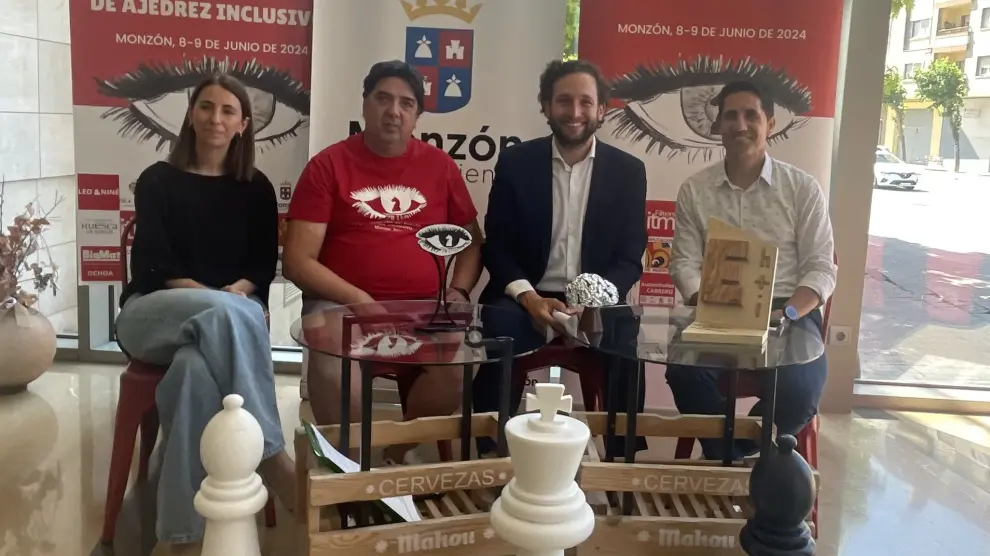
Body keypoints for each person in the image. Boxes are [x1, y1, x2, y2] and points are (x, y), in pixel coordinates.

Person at [114, 74, 293, 552]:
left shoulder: (255, 188)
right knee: (225, 313)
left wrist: (235, 291)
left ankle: (182, 533)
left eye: (228, 110)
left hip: (221, 319)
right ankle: (273, 454)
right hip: (152, 314)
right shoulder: (157, 180)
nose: (216, 117)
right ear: (191, 115)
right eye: (206, 107)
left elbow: (259, 265)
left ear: (243, 124)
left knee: (195, 372)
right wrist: (220, 298)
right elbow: (156, 264)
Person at [281, 60, 483, 465]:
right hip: (340, 305)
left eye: (406, 104)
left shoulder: (440, 166)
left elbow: (472, 242)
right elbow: (297, 261)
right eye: (383, 99)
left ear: (417, 116)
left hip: (424, 307)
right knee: (335, 376)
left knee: (459, 369)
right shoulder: (328, 165)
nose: (394, 111)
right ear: (365, 104)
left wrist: (458, 290)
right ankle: (353, 469)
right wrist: (359, 298)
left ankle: (391, 457)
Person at [474, 59, 649, 458]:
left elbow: (628, 258)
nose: (574, 113)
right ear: (546, 106)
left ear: (602, 109)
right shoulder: (516, 163)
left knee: (624, 336)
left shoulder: (628, 172)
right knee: (499, 328)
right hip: (527, 295)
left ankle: (623, 456)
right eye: (564, 101)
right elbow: (497, 246)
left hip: (597, 300)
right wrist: (528, 297)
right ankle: (487, 450)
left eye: (586, 102)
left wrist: (593, 302)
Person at [667, 80, 837, 461]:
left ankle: (745, 453)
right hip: (716, 305)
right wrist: (708, 304)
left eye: (751, 115)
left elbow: (821, 268)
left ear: (770, 123)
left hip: (786, 310)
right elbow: (683, 264)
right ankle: (734, 457)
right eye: (730, 116)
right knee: (684, 374)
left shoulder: (802, 189)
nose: (739, 124)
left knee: (801, 386)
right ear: (718, 125)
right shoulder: (695, 190)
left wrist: (788, 312)